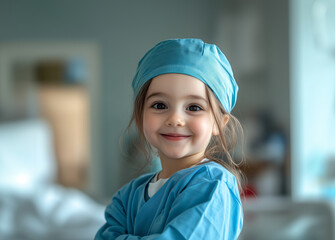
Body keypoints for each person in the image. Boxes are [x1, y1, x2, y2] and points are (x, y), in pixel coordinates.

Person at [94, 38, 244, 239]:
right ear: (141, 116)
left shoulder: (213, 186)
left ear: (219, 123)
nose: (175, 119)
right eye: (159, 105)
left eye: (194, 107)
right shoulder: (127, 197)